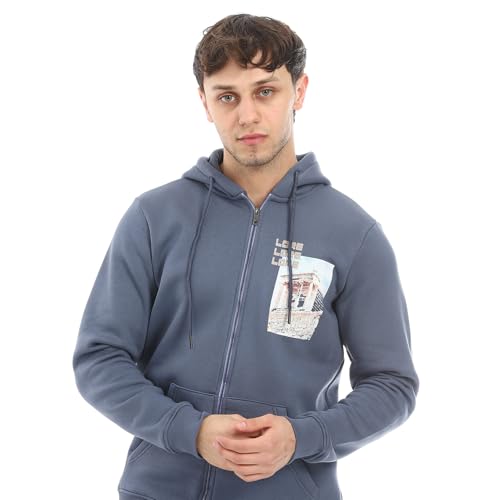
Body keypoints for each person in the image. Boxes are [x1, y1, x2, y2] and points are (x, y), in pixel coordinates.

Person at [73, 13, 419, 500]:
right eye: (227, 96)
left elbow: (392, 384)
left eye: (265, 91)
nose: (247, 116)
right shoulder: (154, 217)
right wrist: (188, 430)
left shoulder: (353, 235)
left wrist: (303, 437)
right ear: (205, 102)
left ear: (299, 92)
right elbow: (100, 359)